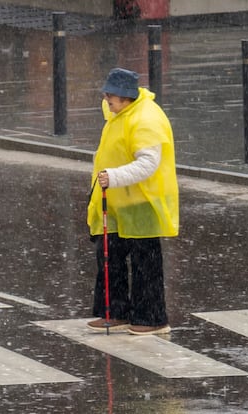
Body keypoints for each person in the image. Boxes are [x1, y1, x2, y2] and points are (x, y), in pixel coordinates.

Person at [87, 67, 179, 335]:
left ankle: (152, 318)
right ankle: (115, 312)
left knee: (145, 263)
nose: (106, 102)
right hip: (118, 200)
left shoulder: (146, 120)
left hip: (142, 201)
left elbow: (148, 164)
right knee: (109, 255)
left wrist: (113, 177)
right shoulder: (120, 112)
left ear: (125, 98)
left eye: (110, 97)